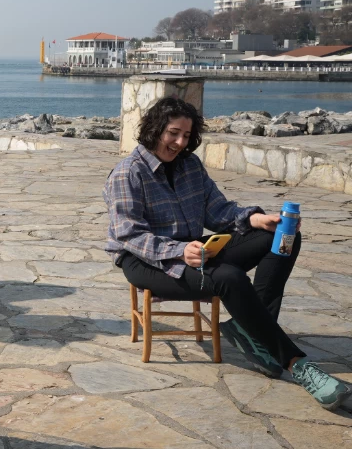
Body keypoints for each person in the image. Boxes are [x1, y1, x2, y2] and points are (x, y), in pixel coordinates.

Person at [104, 96, 350, 410]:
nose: (180, 142)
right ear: (155, 130)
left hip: (195, 250)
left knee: (282, 237)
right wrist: (179, 252)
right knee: (229, 278)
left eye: (186, 136)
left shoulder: (189, 165)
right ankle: (297, 365)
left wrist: (256, 219)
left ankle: (251, 334)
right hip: (145, 261)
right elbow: (130, 234)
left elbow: (218, 211)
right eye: (173, 133)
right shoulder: (128, 173)